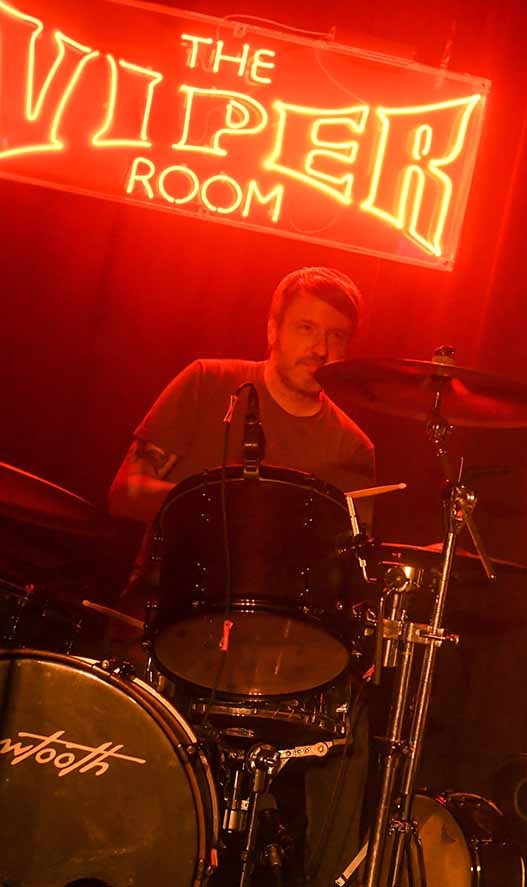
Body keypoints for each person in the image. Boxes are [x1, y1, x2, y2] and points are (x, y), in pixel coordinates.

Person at [109, 266, 375, 885]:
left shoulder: (352, 446)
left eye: (336, 337)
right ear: (272, 329)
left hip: (280, 651)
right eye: (306, 328)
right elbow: (123, 491)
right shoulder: (208, 383)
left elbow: (349, 573)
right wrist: (228, 507)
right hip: (165, 618)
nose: (321, 349)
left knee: (353, 716)